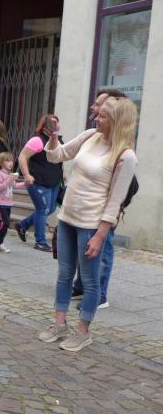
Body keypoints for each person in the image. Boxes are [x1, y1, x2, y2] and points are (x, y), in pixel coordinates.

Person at [37, 97, 138, 352]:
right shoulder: (90, 136)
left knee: (90, 281)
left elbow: (115, 201)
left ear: (117, 121)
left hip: (91, 224)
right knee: (64, 274)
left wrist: (100, 235)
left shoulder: (126, 156)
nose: (96, 119)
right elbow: (57, 156)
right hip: (67, 218)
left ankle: (83, 331)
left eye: (103, 116)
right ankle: (59, 323)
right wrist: (53, 138)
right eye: (98, 114)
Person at [70, 88, 129, 307]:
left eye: (99, 105)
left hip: (104, 205)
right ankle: (81, 286)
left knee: (103, 246)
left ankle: (99, 294)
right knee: (85, 245)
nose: (93, 108)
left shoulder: (119, 144)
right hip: (86, 205)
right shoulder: (94, 135)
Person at [15, 115, 64, 252]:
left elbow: (59, 159)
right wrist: (26, 175)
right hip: (39, 181)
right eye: (52, 123)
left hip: (54, 182)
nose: (55, 125)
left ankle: (23, 225)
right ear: (44, 126)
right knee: (42, 209)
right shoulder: (38, 140)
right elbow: (22, 156)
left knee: (51, 209)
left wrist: (63, 174)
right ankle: (40, 242)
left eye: (56, 122)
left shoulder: (58, 140)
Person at [0, 152, 24, 253]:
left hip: (8, 203)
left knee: (6, 225)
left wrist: (26, 183)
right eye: (7, 161)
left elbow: (15, 186)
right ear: (1, 163)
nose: (11, 163)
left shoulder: (10, 175)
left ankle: (0, 243)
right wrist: (9, 179)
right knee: (4, 223)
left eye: (11, 160)